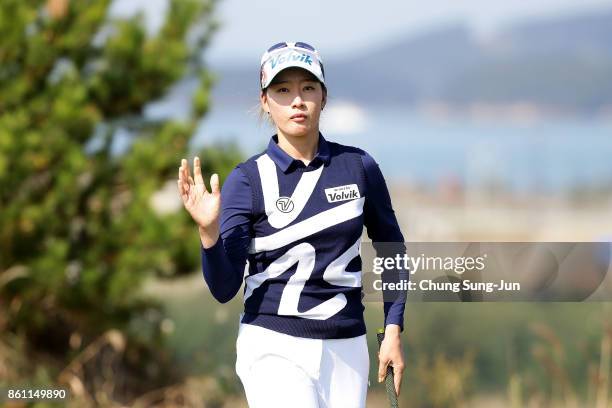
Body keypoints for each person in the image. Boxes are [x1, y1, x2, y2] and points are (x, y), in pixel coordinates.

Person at [177, 41, 407, 408]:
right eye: (283, 90)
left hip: (348, 348)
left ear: (324, 96)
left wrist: (393, 327)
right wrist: (208, 232)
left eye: (307, 88)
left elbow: (392, 247)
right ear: (265, 101)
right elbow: (223, 288)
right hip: (272, 345)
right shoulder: (247, 180)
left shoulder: (360, 167)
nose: (297, 100)